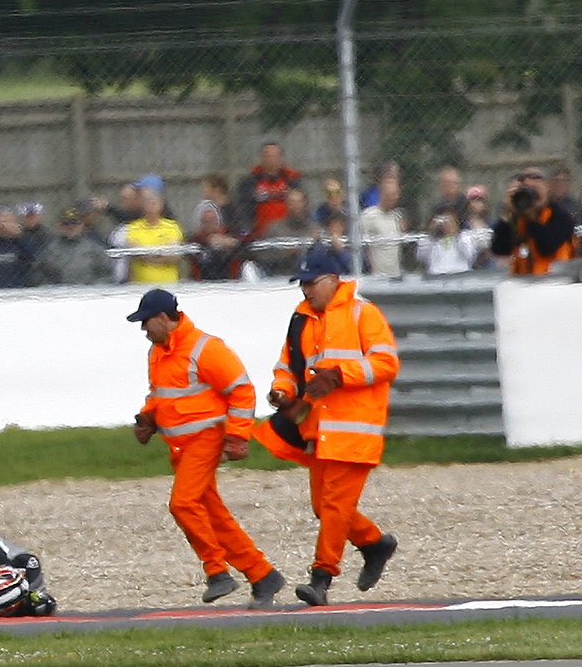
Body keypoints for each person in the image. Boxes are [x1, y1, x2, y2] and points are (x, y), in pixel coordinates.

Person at [254, 247, 400, 607]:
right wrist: (282, 392)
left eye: (310, 282)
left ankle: (321, 579)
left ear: (334, 280)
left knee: (333, 506)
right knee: (324, 506)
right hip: (320, 431)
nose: (305, 290)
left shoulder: (363, 313)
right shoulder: (302, 319)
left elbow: (386, 363)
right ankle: (374, 543)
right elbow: (288, 364)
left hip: (355, 429)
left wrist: (338, 377)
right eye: (301, 283)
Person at [127, 289, 285, 608]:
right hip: (181, 447)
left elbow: (241, 391)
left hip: (205, 440)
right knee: (212, 515)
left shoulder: (205, 348)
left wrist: (238, 437)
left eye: (146, 322)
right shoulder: (157, 352)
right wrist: (149, 416)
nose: (143, 329)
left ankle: (217, 572)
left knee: (183, 504)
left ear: (163, 318)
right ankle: (262, 574)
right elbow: (160, 393)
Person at [489, 165, 576, 275]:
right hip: (524, 284)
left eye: (535, 190)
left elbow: (547, 248)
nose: (532, 198)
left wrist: (531, 217)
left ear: (548, 188)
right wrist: (507, 215)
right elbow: (500, 250)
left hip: (556, 282)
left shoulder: (561, 216)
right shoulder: (518, 218)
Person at [33, 204, 112, 285]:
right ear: (59, 226)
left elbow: (107, 275)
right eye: (66, 223)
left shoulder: (95, 250)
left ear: (82, 225)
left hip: (88, 294)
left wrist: (93, 289)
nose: (70, 227)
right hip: (58, 295)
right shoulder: (49, 251)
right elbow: (39, 277)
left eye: (74, 223)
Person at [236, 143, 302, 237]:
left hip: (289, 233)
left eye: (275, 156)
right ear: (261, 159)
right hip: (259, 234)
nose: (271, 160)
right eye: (268, 156)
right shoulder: (250, 181)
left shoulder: (292, 180)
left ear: (281, 158)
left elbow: (301, 206)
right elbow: (243, 208)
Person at [123, 188, 184, 284]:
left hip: (169, 285)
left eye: (154, 202)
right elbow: (136, 254)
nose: (151, 206)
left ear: (161, 205)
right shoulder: (133, 227)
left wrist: (148, 256)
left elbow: (175, 256)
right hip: (140, 285)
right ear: (142, 205)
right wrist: (162, 254)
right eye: (148, 203)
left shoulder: (172, 227)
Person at [255, 188, 320, 278]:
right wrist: (288, 252)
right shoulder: (274, 228)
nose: (296, 206)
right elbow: (264, 257)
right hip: (281, 277)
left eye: (299, 202)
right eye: (292, 202)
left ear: (305, 204)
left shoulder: (315, 228)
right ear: (286, 204)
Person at [359, 175, 406, 278]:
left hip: (395, 274)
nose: (393, 198)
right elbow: (362, 247)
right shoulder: (369, 215)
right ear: (381, 194)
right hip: (376, 275)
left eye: (395, 194)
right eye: (390, 195)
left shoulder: (397, 216)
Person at [416, 208, 476, 276]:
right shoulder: (431, 239)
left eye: (449, 220)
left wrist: (455, 234)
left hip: (460, 275)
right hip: (436, 277)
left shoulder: (465, 236)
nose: (446, 223)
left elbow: (469, 255)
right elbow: (421, 257)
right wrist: (431, 233)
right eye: (442, 220)